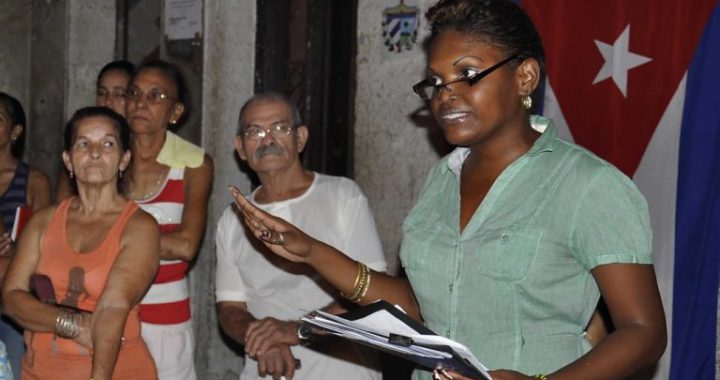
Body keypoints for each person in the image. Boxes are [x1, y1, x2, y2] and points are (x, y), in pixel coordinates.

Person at [228, 1, 667, 379]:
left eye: (468, 74)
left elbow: (643, 331)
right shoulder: (443, 179)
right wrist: (309, 251)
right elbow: (421, 306)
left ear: (525, 77)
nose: (444, 96)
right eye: (435, 82)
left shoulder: (587, 184)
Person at [216, 92, 387, 380]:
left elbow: (372, 291)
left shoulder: (342, 196)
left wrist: (295, 330)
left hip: (343, 369)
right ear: (240, 148)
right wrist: (259, 338)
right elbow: (230, 307)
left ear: (301, 138)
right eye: (255, 131)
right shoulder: (232, 218)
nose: (267, 140)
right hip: (266, 369)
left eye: (280, 128)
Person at [2, 106, 160, 379]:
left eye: (108, 144)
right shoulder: (43, 221)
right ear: (68, 160)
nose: (95, 152)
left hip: (114, 371)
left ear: (124, 160)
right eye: (83, 144)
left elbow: (113, 308)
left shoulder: (139, 227)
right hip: (40, 371)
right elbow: (12, 298)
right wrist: (72, 324)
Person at [124, 60, 213, 380]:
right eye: (134, 93)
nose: (140, 103)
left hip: (166, 314)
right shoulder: (107, 155)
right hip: (107, 308)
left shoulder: (193, 163)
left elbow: (186, 245)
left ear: (175, 112)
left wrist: (113, 238)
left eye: (155, 96)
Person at [0, 91, 51, 376]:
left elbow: (44, 244)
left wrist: (14, 250)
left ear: (16, 131)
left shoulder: (33, 181)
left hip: (13, 298)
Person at [58, 60, 136, 201]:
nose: (108, 101)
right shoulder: (79, 154)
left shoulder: (141, 150)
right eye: (102, 93)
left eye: (119, 94)